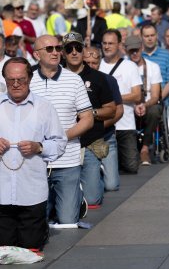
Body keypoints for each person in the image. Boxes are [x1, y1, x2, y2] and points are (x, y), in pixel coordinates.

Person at [0, 57, 67, 249]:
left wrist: (39, 147)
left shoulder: (44, 106)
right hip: (1, 195)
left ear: (30, 78)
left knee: (31, 251)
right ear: (4, 79)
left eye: (21, 79)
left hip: (31, 193)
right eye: (11, 80)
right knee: (5, 253)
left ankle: (41, 231)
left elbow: (60, 143)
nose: (16, 84)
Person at [30, 35, 94, 224]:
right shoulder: (27, 80)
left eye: (58, 48)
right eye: (49, 49)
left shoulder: (74, 80)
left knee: (67, 222)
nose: (56, 52)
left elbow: (87, 119)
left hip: (67, 159)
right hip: (34, 161)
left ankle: (75, 198)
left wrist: (60, 138)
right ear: (36, 54)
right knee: (38, 222)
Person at [62, 32, 115, 205]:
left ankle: (94, 177)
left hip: (90, 142)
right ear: (63, 52)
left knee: (92, 200)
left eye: (78, 47)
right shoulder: (56, 76)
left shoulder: (98, 77)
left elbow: (111, 110)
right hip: (64, 143)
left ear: (83, 50)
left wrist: (89, 113)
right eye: (69, 49)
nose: (74, 52)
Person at [100, 29, 142, 174]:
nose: (107, 46)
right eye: (104, 43)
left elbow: (137, 95)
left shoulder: (130, 66)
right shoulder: (97, 65)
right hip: (104, 124)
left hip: (125, 124)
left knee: (131, 167)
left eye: (111, 43)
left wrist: (112, 98)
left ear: (119, 45)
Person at [83, 46, 124, 190]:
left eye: (94, 63)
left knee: (111, 185)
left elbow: (118, 110)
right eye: (87, 62)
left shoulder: (108, 80)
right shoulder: (75, 80)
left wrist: (98, 126)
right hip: (82, 137)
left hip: (106, 136)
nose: (91, 66)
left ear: (99, 63)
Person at [125, 35, 162, 165]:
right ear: (126, 51)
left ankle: (145, 148)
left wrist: (144, 105)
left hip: (147, 103)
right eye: (131, 51)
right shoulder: (123, 66)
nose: (134, 53)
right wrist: (133, 104)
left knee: (155, 110)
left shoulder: (153, 67)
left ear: (142, 48)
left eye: (137, 50)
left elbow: (155, 96)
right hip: (128, 104)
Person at [141, 23, 169, 100]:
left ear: (157, 35)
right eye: (146, 36)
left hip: (161, 102)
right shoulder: (137, 56)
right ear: (141, 37)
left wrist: (158, 99)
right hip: (140, 103)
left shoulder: (166, 54)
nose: (150, 38)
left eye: (152, 35)